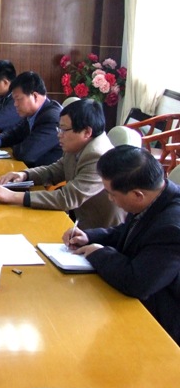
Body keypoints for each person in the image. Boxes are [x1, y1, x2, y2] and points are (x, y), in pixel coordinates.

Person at [63, 146, 180, 346]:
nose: (110, 199)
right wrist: (89, 237)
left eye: (112, 194)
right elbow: (128, 232)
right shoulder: (157, 196)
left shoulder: (172, 228)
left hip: (160, 323)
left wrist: (99, 253)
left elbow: (137, 283)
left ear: (137, 195)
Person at [0, 99, 125, 229]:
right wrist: (24, 175)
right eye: (59, 128)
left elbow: (67, 198)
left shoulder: (98, 156)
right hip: (79, 221)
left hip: (100, 231)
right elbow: (55, 170)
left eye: (64, 129)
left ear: (87, 132)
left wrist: (13, 196)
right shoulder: (78, 144)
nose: (59, 134)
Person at [0, 71, 62, 167]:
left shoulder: (52, 118)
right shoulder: (34, 112)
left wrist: (12, 148)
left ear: (35, 96)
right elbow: (15, 133)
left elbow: (26, 153)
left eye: (18, 99)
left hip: (45, 174)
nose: (15, 104)